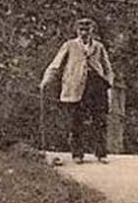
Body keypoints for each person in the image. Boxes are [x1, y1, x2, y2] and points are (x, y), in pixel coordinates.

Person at [40, 17, 115, 163]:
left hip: (96, 86)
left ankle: (101, 153)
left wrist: (108, 83)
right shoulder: (69, 45)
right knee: (76, 120)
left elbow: (108, 68)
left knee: (99, 119)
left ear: (92, 31)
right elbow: (56, 64)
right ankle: (77, 154)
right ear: (77, 31)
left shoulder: (98, 47)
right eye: (81, 30)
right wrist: (46, 80)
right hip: (75, 87)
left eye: (87, 30)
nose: (84, 33)